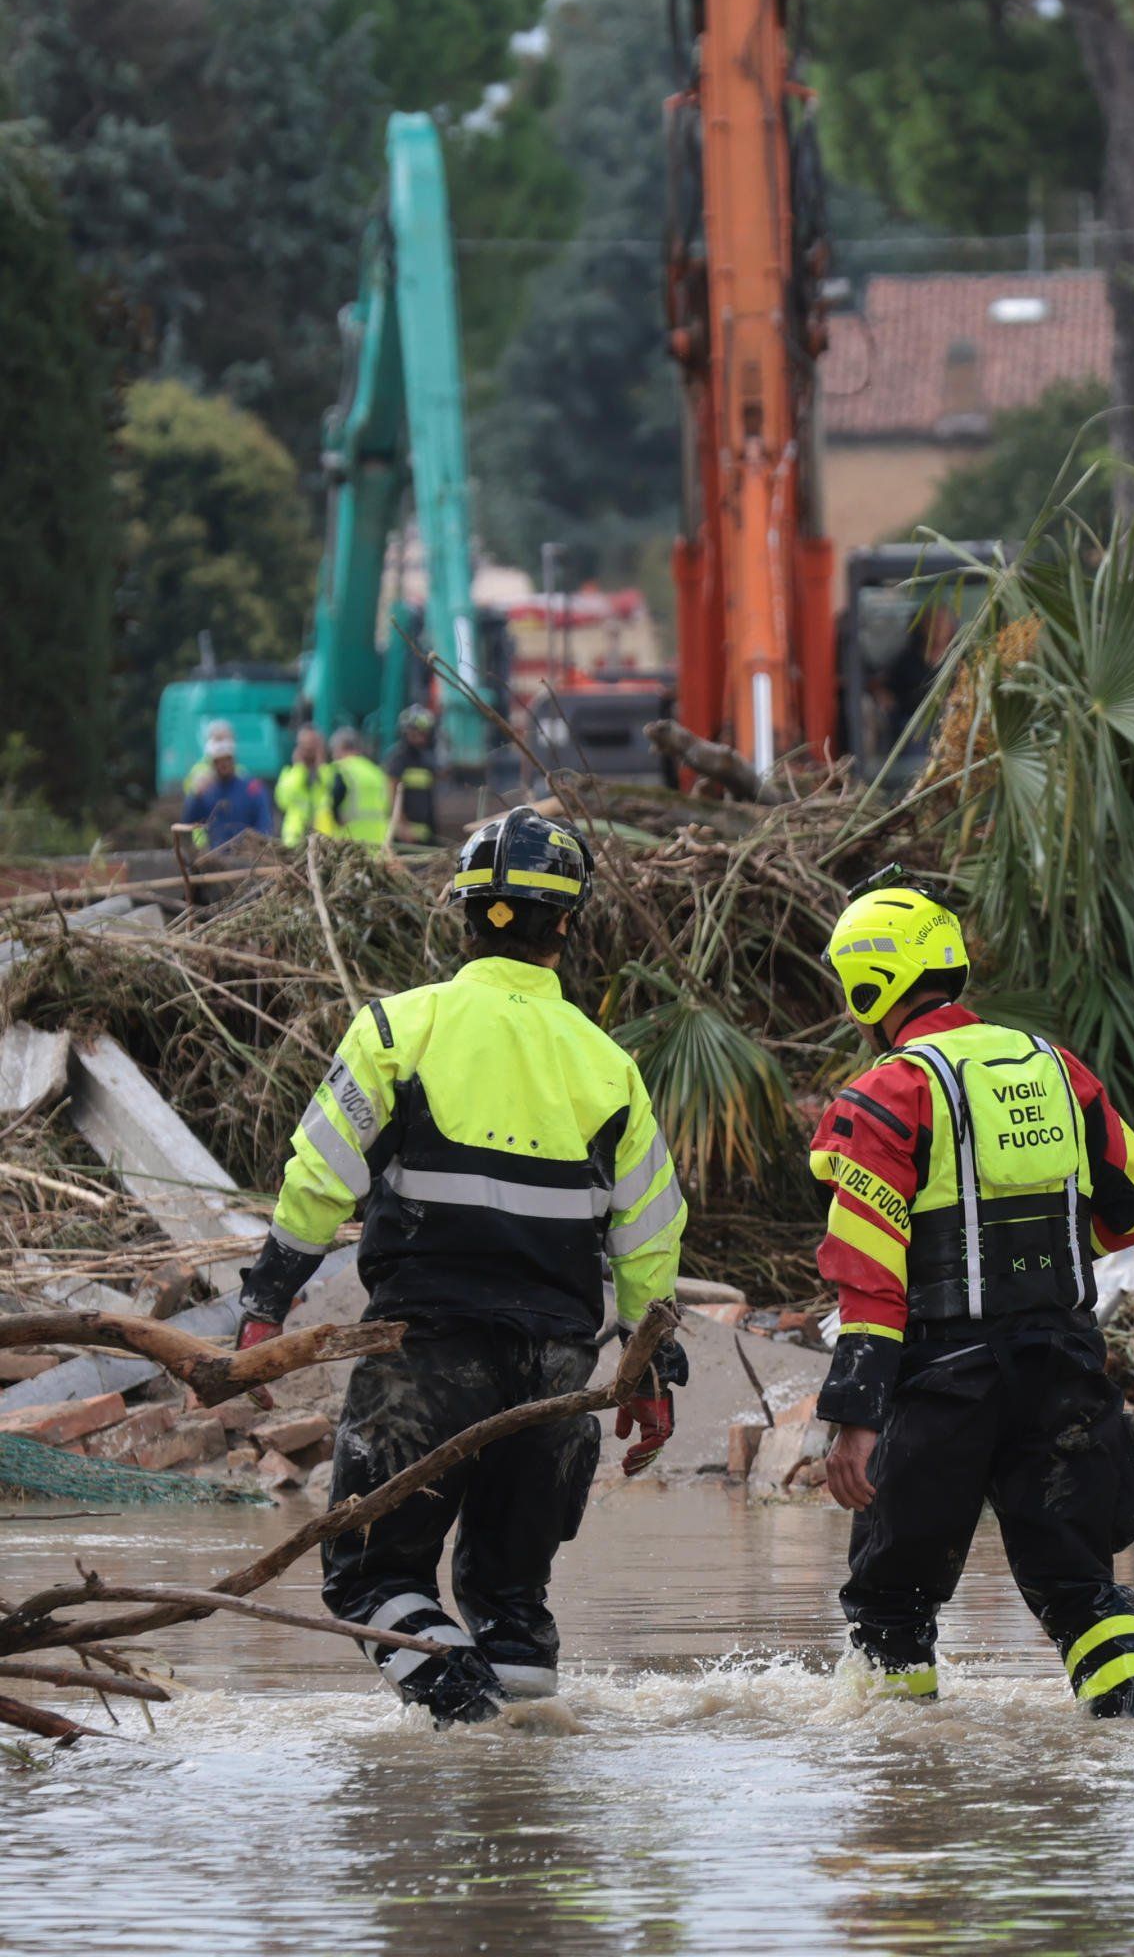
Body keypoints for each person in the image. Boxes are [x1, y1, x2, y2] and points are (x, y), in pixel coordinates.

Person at [234, 810, 690, 1726]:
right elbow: (650, 1244)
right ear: (567, 926)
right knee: (512, 1600)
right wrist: (653, 1381)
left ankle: (473, 1730)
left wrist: (263, 1304)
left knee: (369, 1577)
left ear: (463, 915)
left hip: (425, 1360)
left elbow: (318, 1176)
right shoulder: (611, 1069)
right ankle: (528, 1785)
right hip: (558, 1375)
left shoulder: (401, 1029)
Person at [806, 876, 1134, 1717]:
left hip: (945, 1384)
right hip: (1065, 1369)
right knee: (1080, 1589)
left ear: (869, 986)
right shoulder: (1055, 1067)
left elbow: (868, 1272)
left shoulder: (885, 1093)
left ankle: (903, 1782)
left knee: (892, 1601)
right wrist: (1038, 1248)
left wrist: (854, 1416)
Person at [177, 725, 274, 850]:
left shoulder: (252, 789)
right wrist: (195, 796)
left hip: (248, 859)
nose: (223, 765)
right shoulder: (206, 792)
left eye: (227, 759)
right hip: (214, 858)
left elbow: (265, 825)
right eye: (218, 761)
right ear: (211, 762)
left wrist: (256, 847)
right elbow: (187, 822)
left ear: (233, 758)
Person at [328, 727, 395, 849]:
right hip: (378, 844)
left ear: (339, 747)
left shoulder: (341, 769)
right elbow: (388, 806)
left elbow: (333, 801)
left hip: (351, 845)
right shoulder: (377, 772)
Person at [385, 705, 440, 845]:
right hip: (404, 837)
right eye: (417, 732)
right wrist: (403, 827)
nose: (421, 737)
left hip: (425, 835)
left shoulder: (426, 760)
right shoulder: (398, 759)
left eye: (424, 733)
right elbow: (391, 795)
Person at [275, 726, 337, 846]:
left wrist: (321, 765)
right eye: (304, 745)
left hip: (323, 841)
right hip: (295, 840)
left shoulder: (329, 772)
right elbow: (283, 801)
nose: (309, 750)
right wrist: (300, 769)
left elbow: (332, 790)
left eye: (313, 745)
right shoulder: (289, 773)